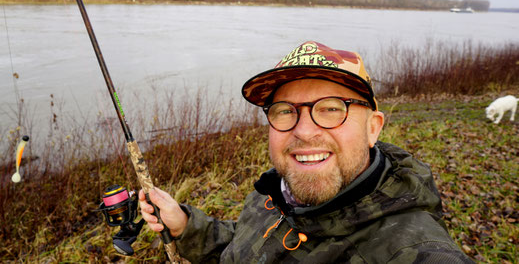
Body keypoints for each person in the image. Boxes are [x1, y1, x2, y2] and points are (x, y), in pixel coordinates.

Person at [139, 41, 473, 263]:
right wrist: (186, 227)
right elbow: (243, 248)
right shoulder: (273, 193)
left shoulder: (412, 250)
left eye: (331, 109)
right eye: (285, 110)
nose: (304, 130)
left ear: (373, 128)